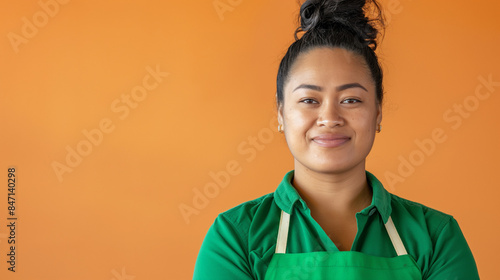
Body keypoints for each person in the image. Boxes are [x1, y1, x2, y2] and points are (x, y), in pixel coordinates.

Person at [193, 0, 480, 279]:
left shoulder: (436, 237)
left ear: (377, 114)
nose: (329, 118)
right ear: (281, 114)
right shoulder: (236, 237)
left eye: (351, 100)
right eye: (309, 100)